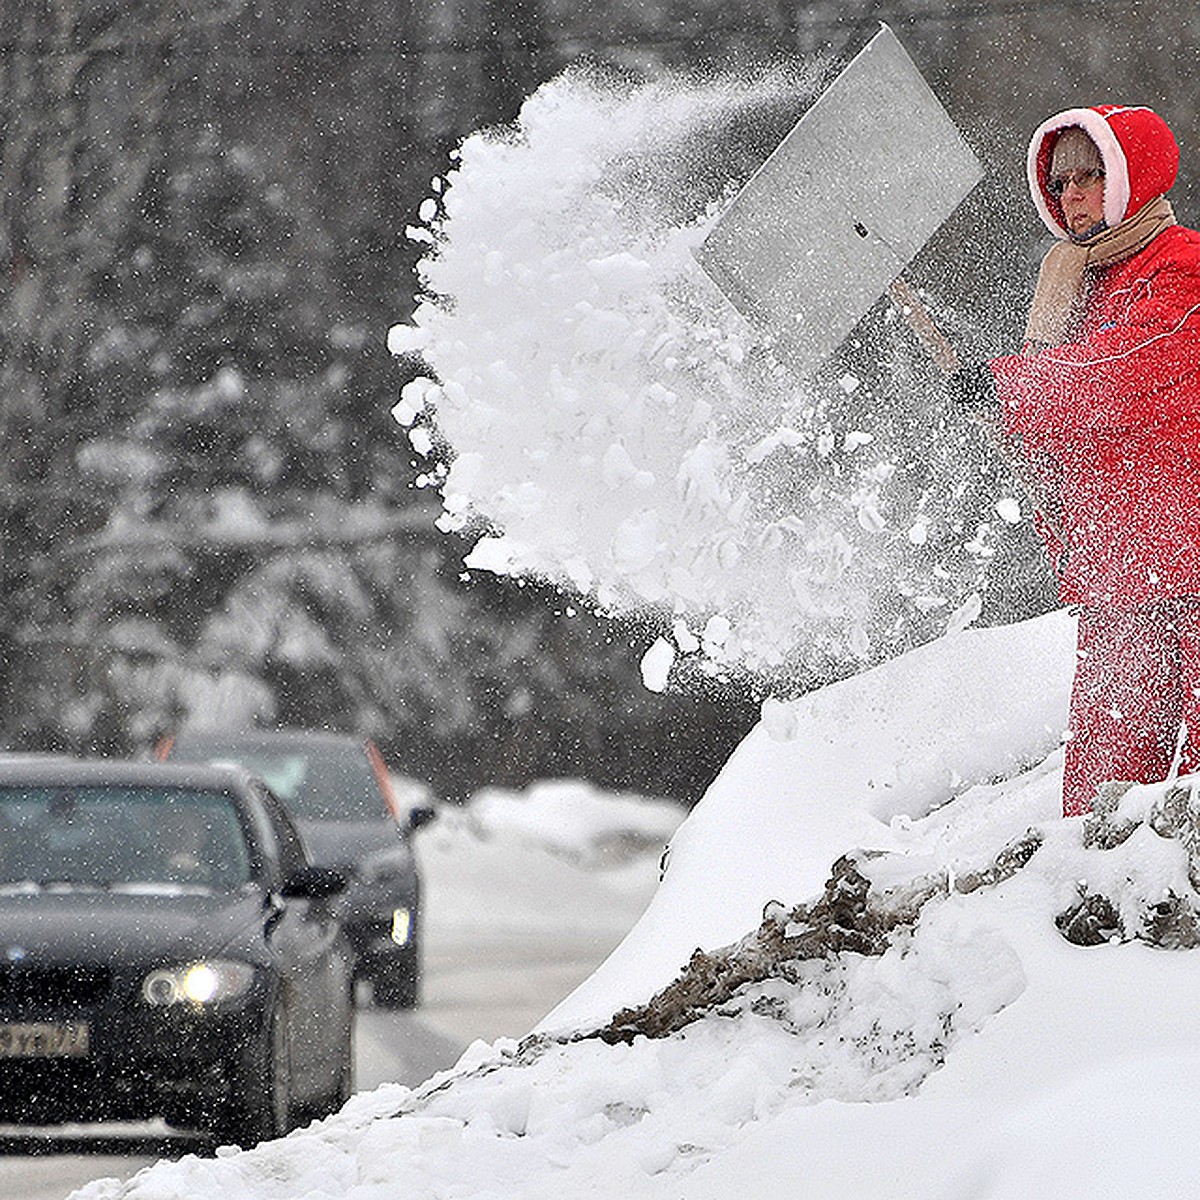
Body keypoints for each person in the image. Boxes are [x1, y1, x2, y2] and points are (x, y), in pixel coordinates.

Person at [953, 105, 1200, 817]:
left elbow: (1119, 373)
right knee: (1104, 788)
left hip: (1192, 562)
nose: (1074, 195)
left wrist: (1004, 386)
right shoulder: (1075, 286)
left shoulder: (1182, 265)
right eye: (1061, 182)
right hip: (1121, 571)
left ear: (1131, 177)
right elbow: (1073, 424)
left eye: (1092, 175)